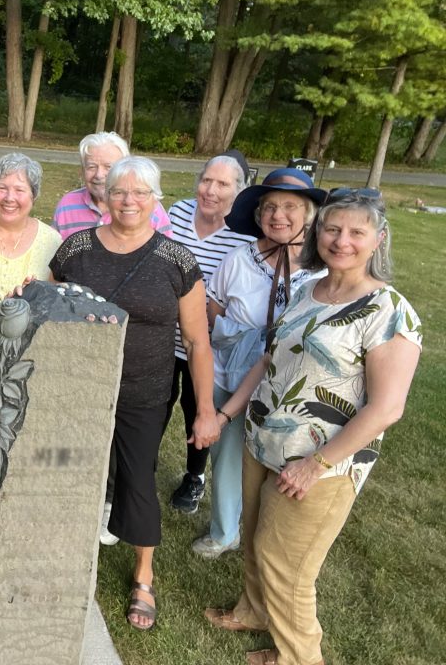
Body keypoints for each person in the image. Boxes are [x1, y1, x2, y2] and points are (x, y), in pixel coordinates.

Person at [204, 189, 421, 665]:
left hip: (320, 462)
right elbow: (269, 359)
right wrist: (226, 414)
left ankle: (299, 658)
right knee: (257, 535)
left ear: (378, 239)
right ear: (317, 233)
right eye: (332, 228)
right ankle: (255, 611)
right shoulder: (308, 288)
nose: (342, 240)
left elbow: (386, 408)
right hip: (265, 440)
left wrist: (315, 463)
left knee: (288, 566)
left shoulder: (390, 311)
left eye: (356, 232)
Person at [49, 156, 218, 631]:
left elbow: (198, 340)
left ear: (154, 200)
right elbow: (49, 304)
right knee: (73, 468)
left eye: (140, 193)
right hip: (80, 387)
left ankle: (144, 573)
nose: (128, 201)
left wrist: (204, 409)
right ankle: (66, 556)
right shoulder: (75, 249)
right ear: (105, 195)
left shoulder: (177, 260)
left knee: (138, 477)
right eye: (119, 191)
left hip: (145, 391)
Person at [194, 168, 327, 559]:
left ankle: (273, 540)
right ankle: (224, 531)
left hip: (291, 384)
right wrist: (242, 339)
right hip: (230, 375)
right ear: (256, 215)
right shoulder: (238, 260)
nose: (278, 215)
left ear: (310, 216)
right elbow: (212, 311)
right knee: (228, 455)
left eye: (290, 207)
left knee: (283, 459)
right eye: (269, 207)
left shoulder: (324, 270)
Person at [0, 152, 62, 513]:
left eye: (19, 189)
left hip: (20, 350)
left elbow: (54, 297)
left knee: (6, 413)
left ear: (33, 196)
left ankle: (1, 474)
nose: (9, 196)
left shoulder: (52, 241)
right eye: (2, 186)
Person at [164, 152, 254, 516]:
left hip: (208, 344)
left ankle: (194, 476)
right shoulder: (177, 213)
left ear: (239, 191)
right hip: (162, 338)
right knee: (156, 404)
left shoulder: (244, 234)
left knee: (197, 409)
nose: (211, 190)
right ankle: (140, 467)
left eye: (223, 184)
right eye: (206, 180)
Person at [52, 131, 172, 240]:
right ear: (82, 171)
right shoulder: (67, 205)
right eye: (91, 167)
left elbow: (167, 256)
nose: (99, 175)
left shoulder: (150, 208)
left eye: (108, 167)